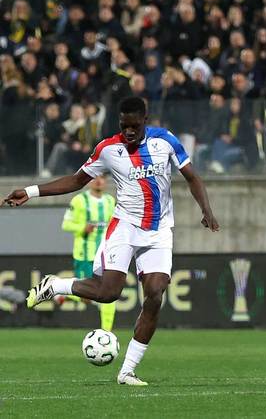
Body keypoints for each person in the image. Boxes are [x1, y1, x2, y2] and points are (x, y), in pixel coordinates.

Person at [4, 97, 219, 386]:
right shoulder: (108, 149)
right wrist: (30, 192)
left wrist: (206, 210)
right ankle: (55, 285)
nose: (128, 131)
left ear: (145, 120)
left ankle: (127, 371)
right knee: (109, 293)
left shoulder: (165, 141)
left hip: (158, 231)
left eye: (134, 126)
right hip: (125, 227)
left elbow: (193, 177)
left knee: (155, 294)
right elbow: (76, 180)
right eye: (124, 126)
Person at [56, 175, 117, 331]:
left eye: (102, 177)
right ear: (89, 180)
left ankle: (106, 334)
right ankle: (61, 291)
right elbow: (66, 224)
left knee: (109, 294)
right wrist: (82, 228)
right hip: (85, 254)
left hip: (105, 256)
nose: (99, 180)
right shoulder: (79, 201)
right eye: (95, 177)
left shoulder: (110, 201)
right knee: (86, 297)